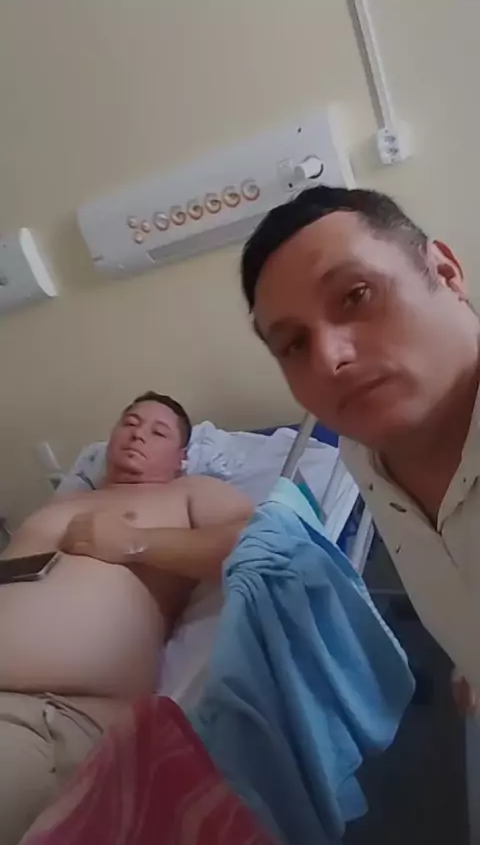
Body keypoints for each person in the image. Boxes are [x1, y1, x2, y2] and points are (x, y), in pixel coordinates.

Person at [240, 184, 480, 712]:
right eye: (295, 344)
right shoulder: (361, 454)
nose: (329, 358)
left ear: (445, 272)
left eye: (356, 295)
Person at [0, 391, 252, 845]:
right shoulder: (56, 504)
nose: (138, 434)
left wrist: (134, 542)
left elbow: (254, 541)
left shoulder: (187, 493)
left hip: (57, 712)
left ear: (182, 457)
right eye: (130, 423)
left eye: (158, 432)